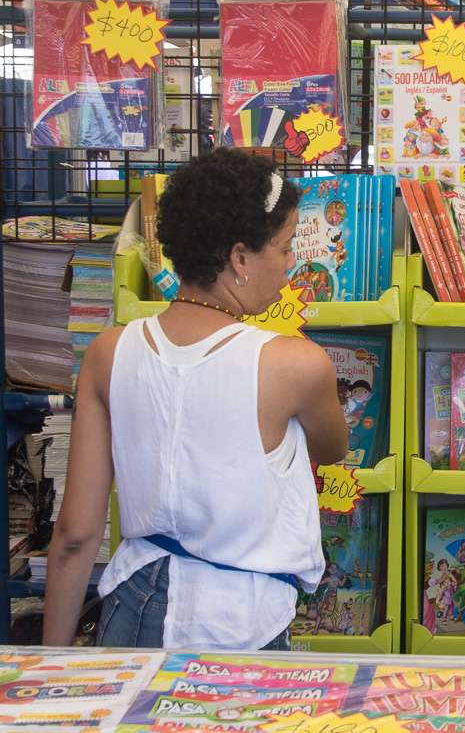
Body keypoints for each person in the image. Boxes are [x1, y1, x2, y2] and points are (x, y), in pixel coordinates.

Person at [43, 149, 348, 650]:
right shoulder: (295, 364)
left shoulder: (109, 351)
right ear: (240, 258)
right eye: (286, 246)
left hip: (130, 605)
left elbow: (75, 535)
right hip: (239, 625)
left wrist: (54, 660)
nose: (293, 264)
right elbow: (333, 449)